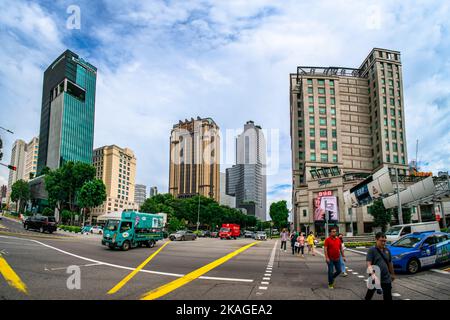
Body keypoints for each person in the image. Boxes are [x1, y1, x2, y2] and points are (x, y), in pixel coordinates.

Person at [365, 232, 395, 301]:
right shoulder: (372, 250)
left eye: (384, 241)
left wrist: (393, 274)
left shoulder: (387, 250)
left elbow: (390, 263)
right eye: (381, 241)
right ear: (376, 239)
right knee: (369, 296)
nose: (383, 243)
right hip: (375, 277)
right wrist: (372, 275)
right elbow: (369, 264)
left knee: (388, 297)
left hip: (386, 277)